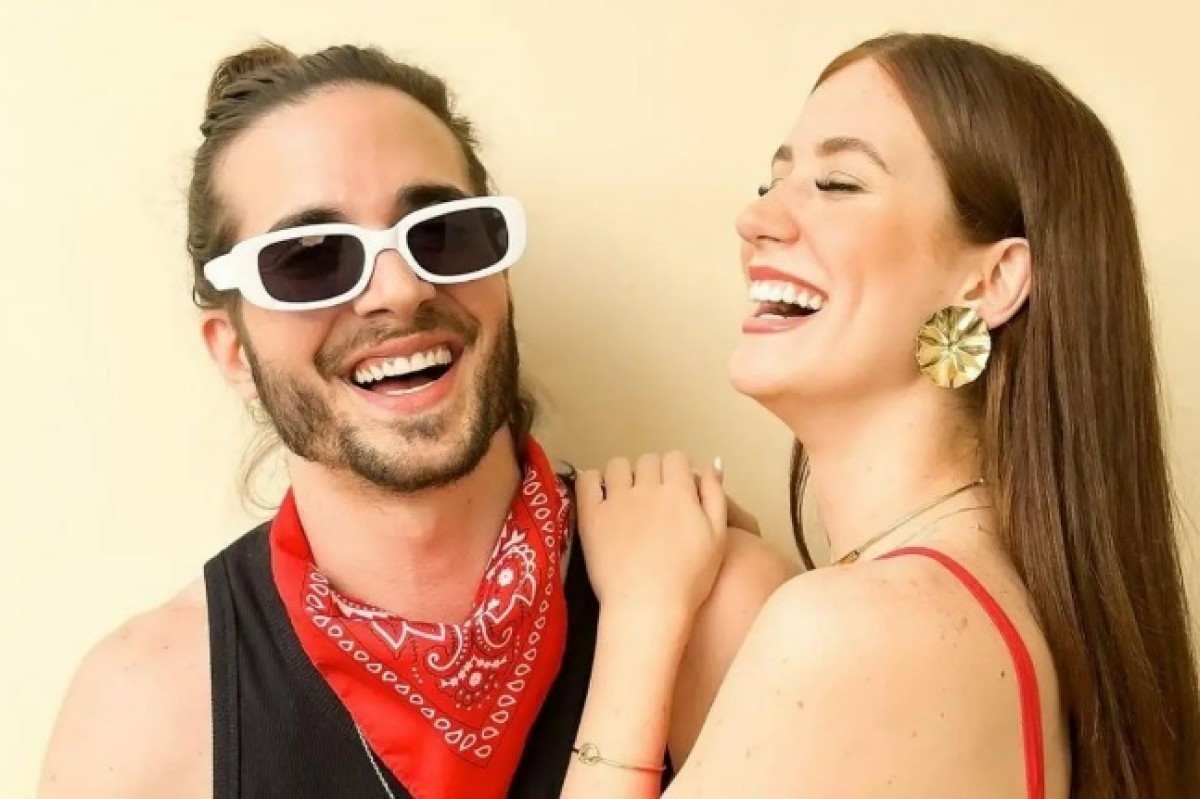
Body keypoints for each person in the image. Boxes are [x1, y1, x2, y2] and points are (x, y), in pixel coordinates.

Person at [38, 43, 793, 799]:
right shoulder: (144, 715)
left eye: (441, 233)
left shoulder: (719, 609)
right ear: (234, 352)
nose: (400, 289)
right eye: (309, 258)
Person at [563, 33, 1200, 798]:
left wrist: (640, 614)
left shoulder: (856, 632)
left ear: (991, 281)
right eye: (772, 181)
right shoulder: (978, 603)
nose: (756, 217)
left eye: (837, 184)